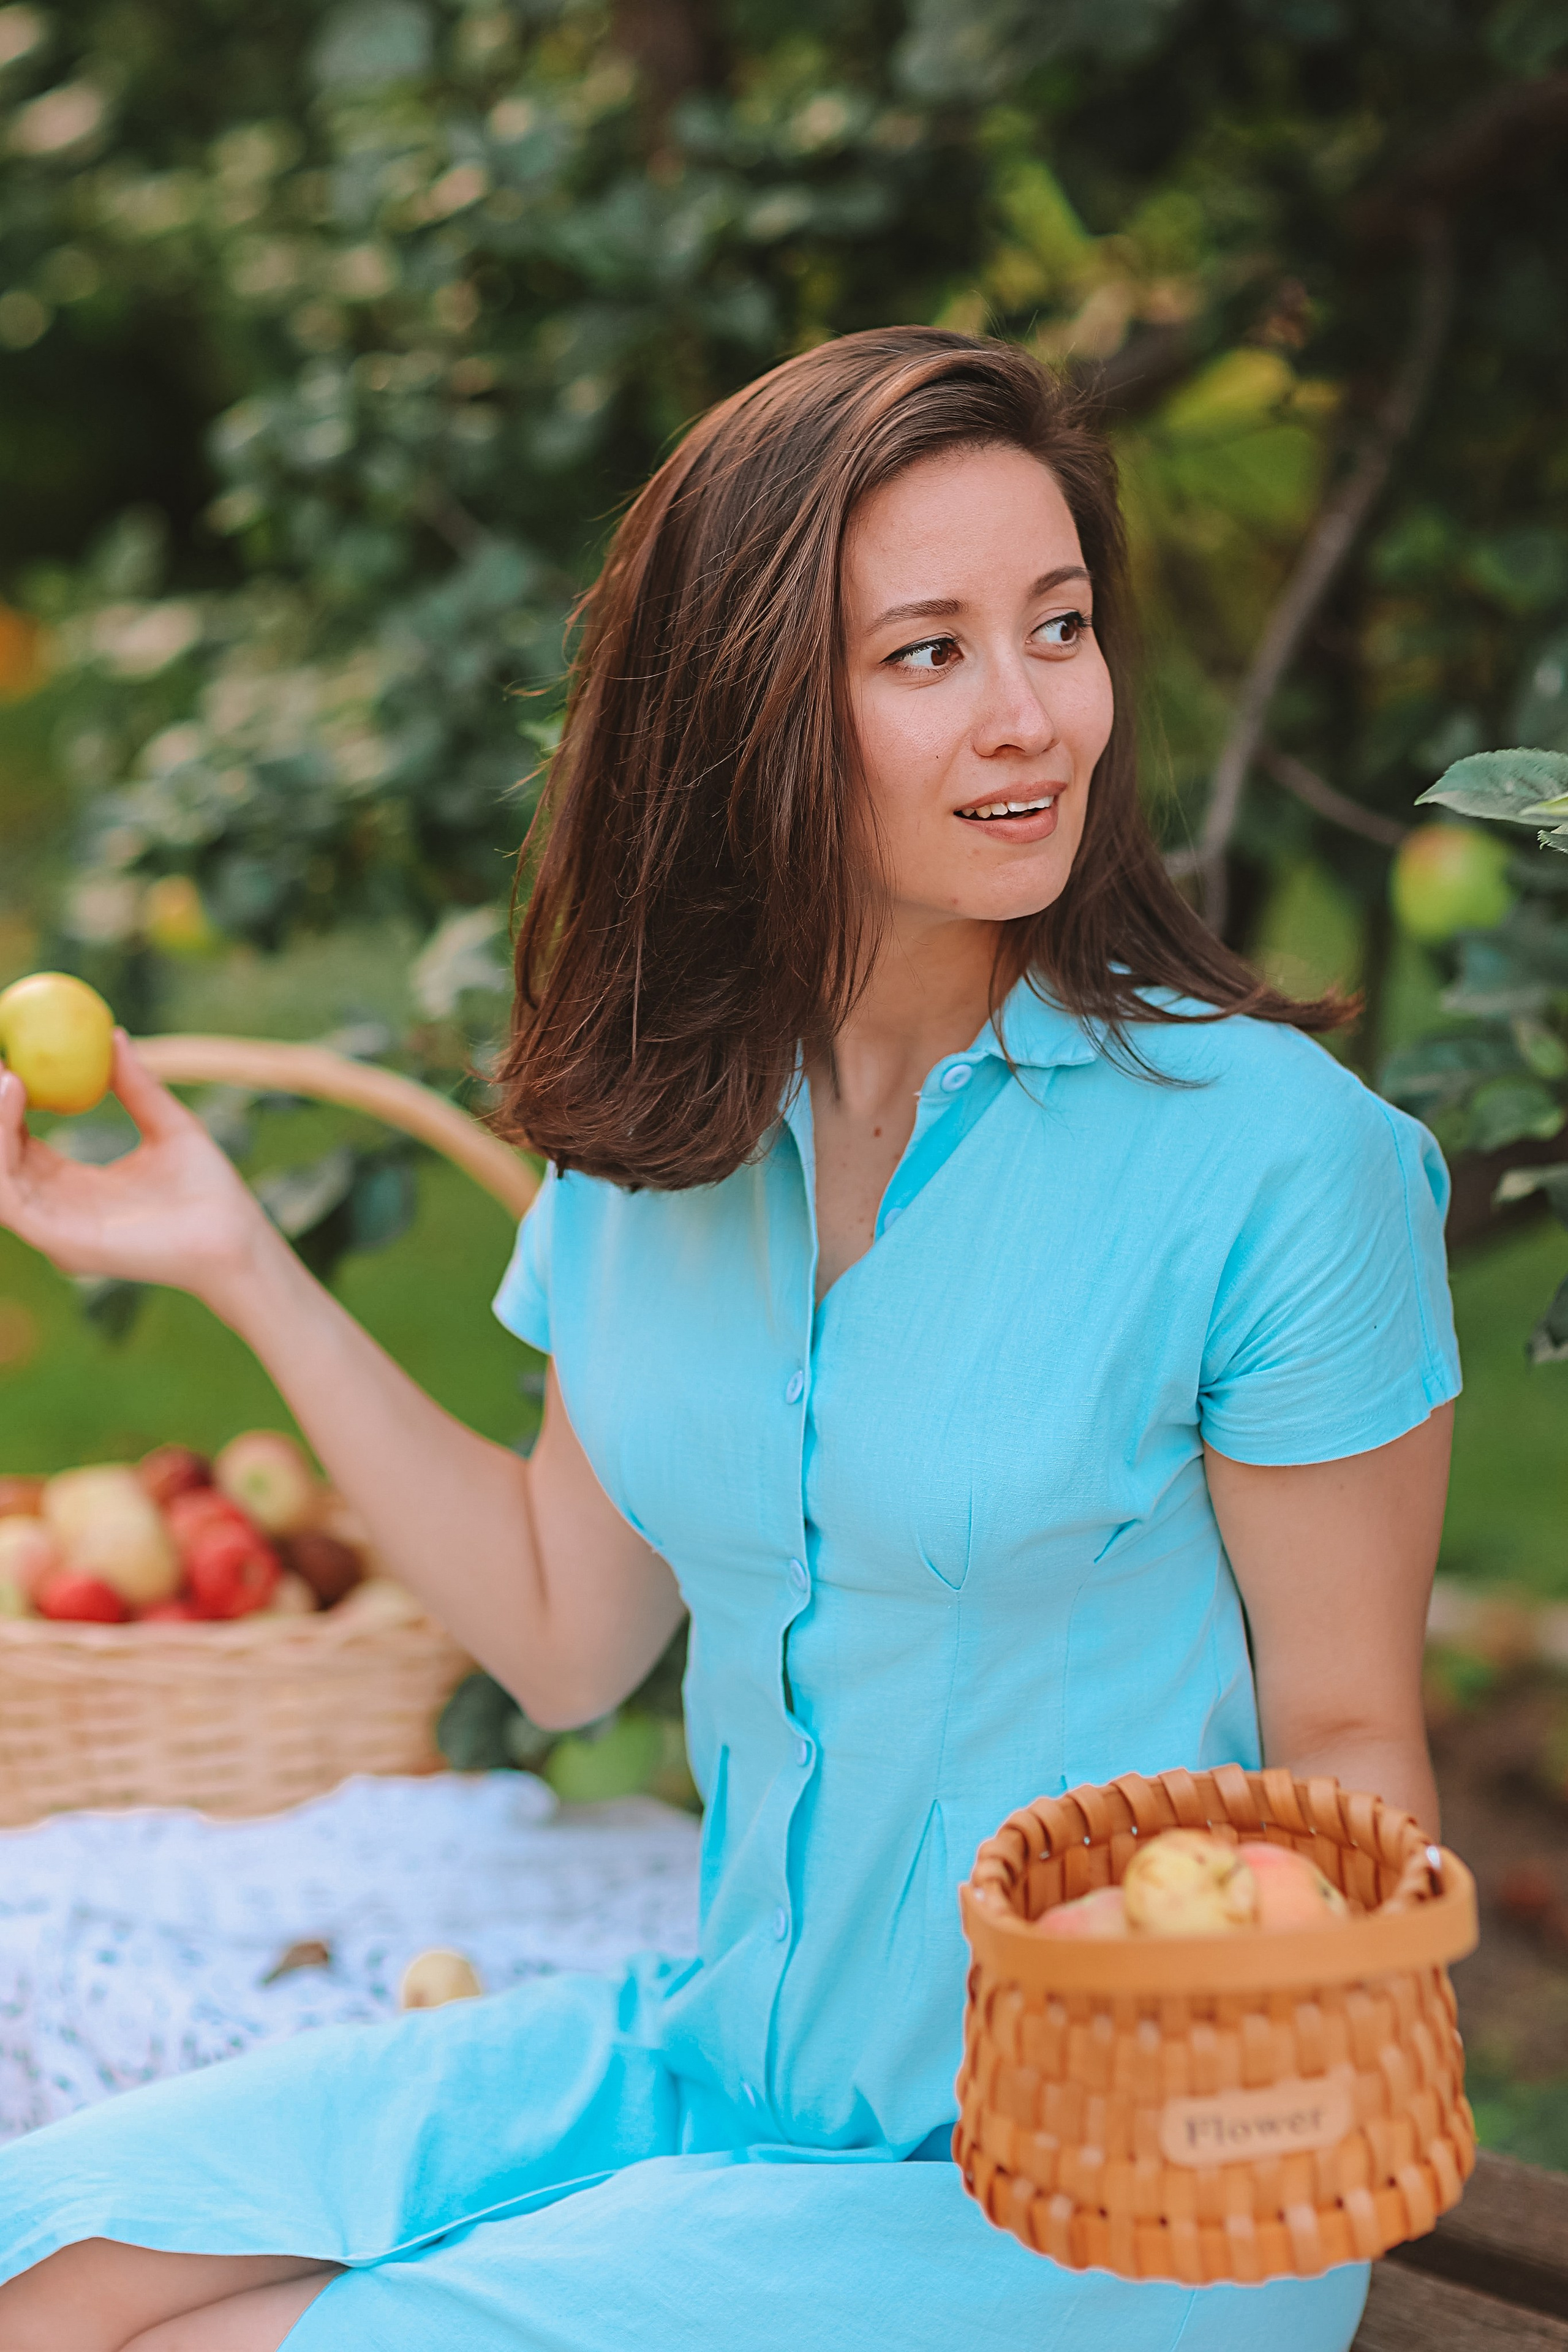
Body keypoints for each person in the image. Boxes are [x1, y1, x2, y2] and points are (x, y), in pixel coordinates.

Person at [0, 328, 1457, 2352]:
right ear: (755, 706)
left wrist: (1198, 1981)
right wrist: (244, 1261)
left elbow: (1354, 1751)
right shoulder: (671, 1125)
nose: (1034, 716)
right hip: (729, 2059)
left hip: (1120, 2184)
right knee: (35, 2267)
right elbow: (560, 1630)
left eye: (1061, 627)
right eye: (928, 653)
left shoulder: (1282, 1167)